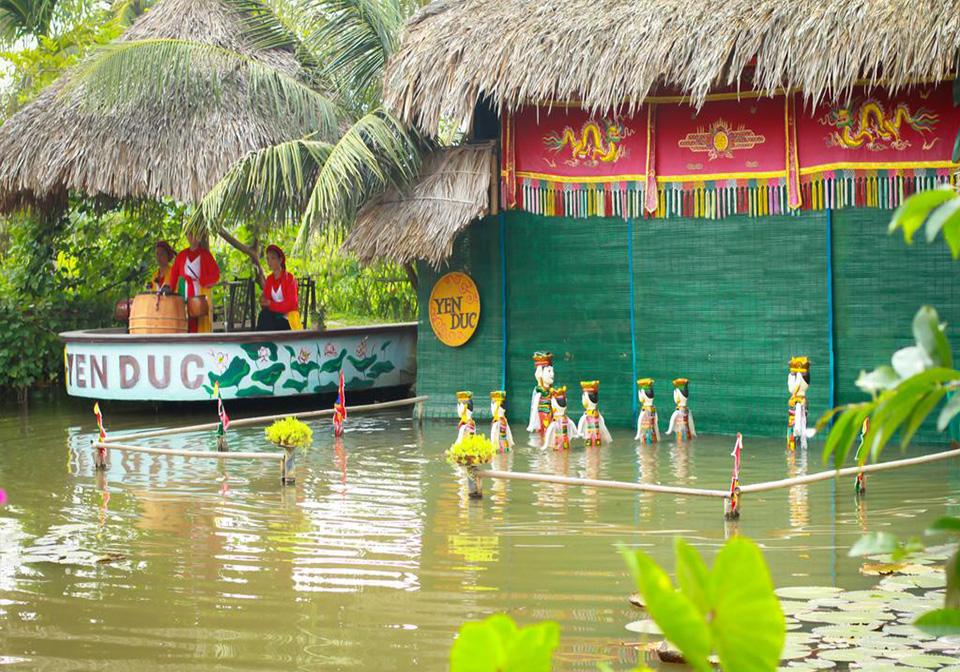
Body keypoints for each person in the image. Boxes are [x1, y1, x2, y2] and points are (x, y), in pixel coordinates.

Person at [167, 232, 220, 333]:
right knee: (184, 316)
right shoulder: (181, 255)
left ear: (200, 237)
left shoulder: (205, 254)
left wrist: (205, 281)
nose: (193, 238)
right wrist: (171, 289)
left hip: (200, 290)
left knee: (199, 319)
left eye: (196, 235)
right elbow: (174, 274)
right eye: (190, 235)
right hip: (184, 289)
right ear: (187, 237)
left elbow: (216, 274)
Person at [257, 244, 302, 331]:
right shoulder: (269, 279)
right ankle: (261, 342)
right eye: (267, 259)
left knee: (268, 320)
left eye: (272, 258)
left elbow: (291, 304)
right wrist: (263, 300)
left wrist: (271, 304)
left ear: (280, 260)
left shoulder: (290, 278)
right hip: (274, 318)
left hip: (288, 319)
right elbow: (266, 301)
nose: (269, 262)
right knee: (264, 314)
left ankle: (263, 342)